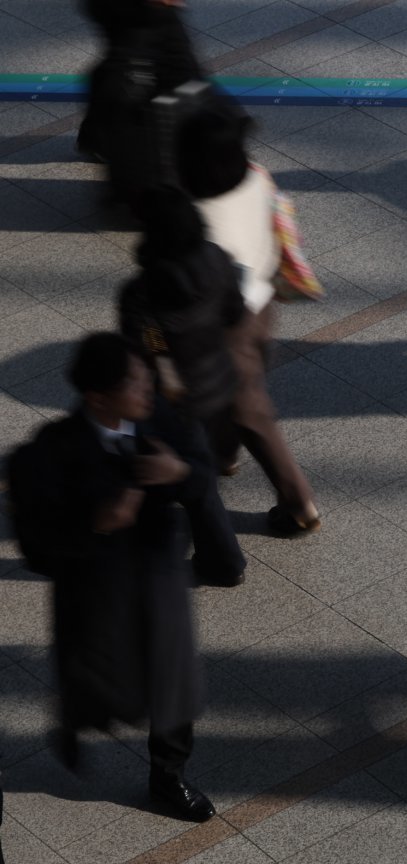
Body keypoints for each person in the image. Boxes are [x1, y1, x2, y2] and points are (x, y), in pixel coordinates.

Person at [8, 334, 215, 822]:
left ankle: (168, 776)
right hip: (96, 590)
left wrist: (177, 471)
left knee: (173, 683)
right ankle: (74, 726)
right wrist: (96, 525)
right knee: (97, 682)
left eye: (145, 374)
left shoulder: (158, 419)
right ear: (98, 396)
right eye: (133, 381)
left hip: (158, 579)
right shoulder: (49, 454)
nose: (147, 386)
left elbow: (202, 477)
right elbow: (37, 548)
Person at [174, 107, 321, 536]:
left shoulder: (200, 223)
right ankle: (223, 454)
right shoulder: (255, 176)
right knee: (239, 397)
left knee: (251, 410)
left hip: (226, 325)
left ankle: (299, 505)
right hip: (263, 303)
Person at [118, 186, 247, 585]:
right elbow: (234, 312)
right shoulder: (216, 259)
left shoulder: (142, 291)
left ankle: (224, 564)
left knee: (193, 480)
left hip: (177, 400)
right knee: (197, 466)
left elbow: (147, 344)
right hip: (222, 380)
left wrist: (164, 357)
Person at [77, 0, 205, 199]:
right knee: (168, 72)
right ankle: (126, 170)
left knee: (133, 66)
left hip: (145, 11)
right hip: (142, 10)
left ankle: (100, 138)